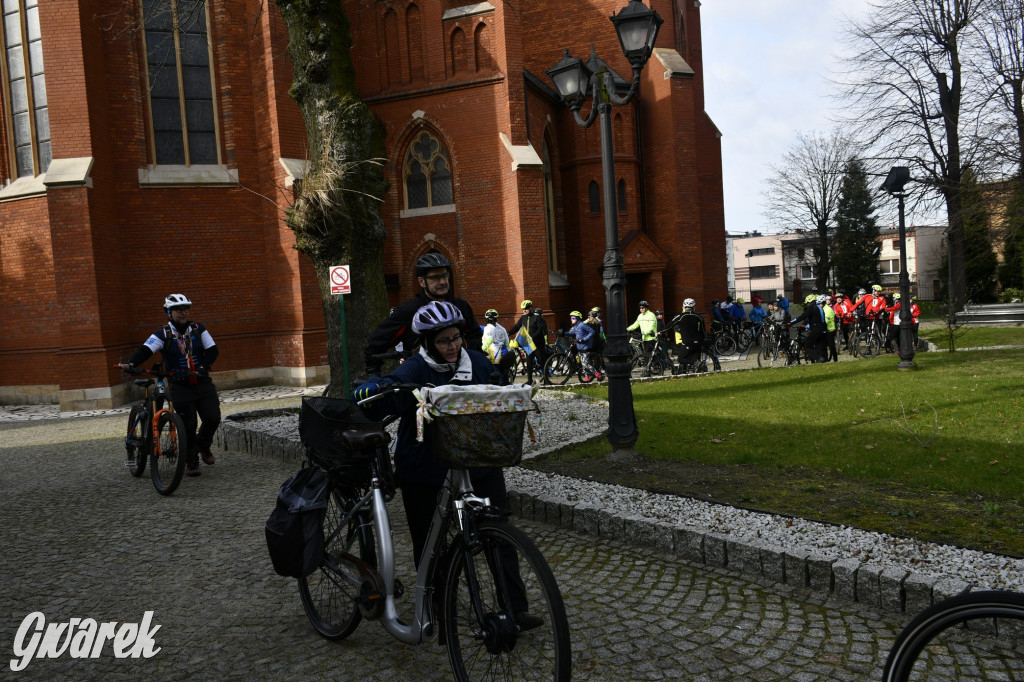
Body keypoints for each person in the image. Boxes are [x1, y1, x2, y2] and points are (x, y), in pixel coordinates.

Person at [350, 301, 543, 631]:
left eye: (455, 338)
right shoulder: (414, 368)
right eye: (443, 341)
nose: (452, 346)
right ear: (427, 344)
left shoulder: (478, 363)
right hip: (426, 467)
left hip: (480, 461)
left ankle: (515, 606)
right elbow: (389, 391)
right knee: (429, 543)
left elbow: (499, 390)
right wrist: (376, 389)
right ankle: (437, 607)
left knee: (499, 535)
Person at [119, 294, 221, 477]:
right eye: (178, 310)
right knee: (188, 425)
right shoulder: (163, 334)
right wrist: (132, 363)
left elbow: (213, 350)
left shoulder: (198, 329)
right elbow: (146, 349)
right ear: (169, 312)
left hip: (203, 383)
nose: (183, 313)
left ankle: (203, 446)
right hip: (180, 386)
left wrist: (204, 365)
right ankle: (191, 461)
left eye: (186, 309)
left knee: (213, 418)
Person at [363, 252, 481, 377]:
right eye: (435, 278)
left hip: (461, 377)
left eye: (445, 276)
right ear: (421, 282)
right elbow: (375, 346)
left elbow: (475, 338)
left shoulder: (461, 307)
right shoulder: (408, 311)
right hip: (421, 380)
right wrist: (374, 375)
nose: (442, 281)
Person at [508, 300, 550, 382]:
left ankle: (546, 379)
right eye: (523, 309)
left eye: (526, 308)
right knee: (529, 362)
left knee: (541, 361)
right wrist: (508, 333)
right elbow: (516, 327)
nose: (524, 310)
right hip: (528, 344)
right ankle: (529, 380)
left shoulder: (537, 317)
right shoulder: (523, 317)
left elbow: (540, 330)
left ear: (531, 308)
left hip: (538, 343)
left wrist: (532, 337)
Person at [664, 298, 705, 372]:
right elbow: (703, 331)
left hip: (685, 341)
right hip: (698, 341)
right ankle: (694, 367)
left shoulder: (680, 316)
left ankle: (693, 365)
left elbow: (671, 325)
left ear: (683, 306)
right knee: (693, 358)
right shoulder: (698, 316)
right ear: (694, 307)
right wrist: (703, 340)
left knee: (681, 358)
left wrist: (660, 332)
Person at [791, 293, 827, 363]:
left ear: (809, 302)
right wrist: (806, 326)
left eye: (807, 303)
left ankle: (818, 358)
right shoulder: (819, 307)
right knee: (819, 347)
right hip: (823, 330)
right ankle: (821, 360)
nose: (807, 305)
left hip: (816, 329)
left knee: (807, 346)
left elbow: (803, 316)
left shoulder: (812, 308)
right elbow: (818, 319)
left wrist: (790, 323)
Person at [481, 308, 515, 381]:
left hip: (493, 356)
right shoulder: (502, 328)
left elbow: (489, 340)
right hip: (504, 354)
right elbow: (507, 342)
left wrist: (482, 349)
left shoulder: (488, 328)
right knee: (504, 374)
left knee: (495, 376)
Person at [565, 311, 600, 381]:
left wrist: (584, 339)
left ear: (577, 319)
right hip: (579, 347)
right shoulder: (576, 326)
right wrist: (564, 333)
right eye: (571, 318)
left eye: (573, 318)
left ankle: (597, 374)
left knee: (585, 363)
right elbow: (573, 332)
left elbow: (592, 331)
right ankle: (587, 377)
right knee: (582, 362)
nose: (571, 319)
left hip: (585, 347)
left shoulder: (582, 325)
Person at [820, 294, 838, 362]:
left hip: (830, 330)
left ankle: (835, 359)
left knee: (831, 346)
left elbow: (826, 320)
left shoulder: (827, 309)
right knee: (825, 345)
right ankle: (826, 359)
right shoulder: (824, 308)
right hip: (826, 329)